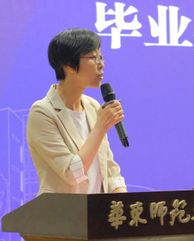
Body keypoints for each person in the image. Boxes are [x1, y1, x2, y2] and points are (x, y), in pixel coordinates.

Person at [26, 28, 127, 194]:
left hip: (97, 209)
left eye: (101, 57)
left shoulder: (93, 106)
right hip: (63, 210)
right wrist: (100, 127)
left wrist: (126, 204)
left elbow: (110, 170)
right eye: (93, 58)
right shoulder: (42, 112)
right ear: (69, 66)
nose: (101, 64)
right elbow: (72, 174)